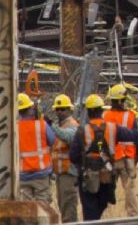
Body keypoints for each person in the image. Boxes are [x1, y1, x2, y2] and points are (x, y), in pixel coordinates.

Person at [69, 94, 138, 221]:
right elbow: (132, 135)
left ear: (88, 112)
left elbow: (73, 156)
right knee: (101, 205)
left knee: (90, 212)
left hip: (89, 177)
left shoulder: (82, 131)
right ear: (101, 110)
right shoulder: (112, 128)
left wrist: (82, 164)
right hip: (107, 176)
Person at [103, 84, 138, 217]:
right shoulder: (130, 116)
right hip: (127, 159)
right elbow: (137, 138)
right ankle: (133, 216)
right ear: (120, 100)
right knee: (129, 189)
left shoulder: (104, 116)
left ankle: (106, 217)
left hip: (110, 160)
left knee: (106, 189)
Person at [17, 92, 56, 205]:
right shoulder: (41, 125)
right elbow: (52, 140)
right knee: (43, 209)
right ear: (30, 109)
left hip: (23, 175)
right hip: (41, 174)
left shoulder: (14, 127)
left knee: (25, 210)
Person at [51, 94, 79, 223]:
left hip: (69, 173)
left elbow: (68, 137)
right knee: (64, 206)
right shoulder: (60, 126)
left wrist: (52, 126)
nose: (60, 112)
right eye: (58, 109)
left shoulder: (72, 125)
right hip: (61, 174)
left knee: (69, 207)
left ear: (69, 110)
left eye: (63, 109)